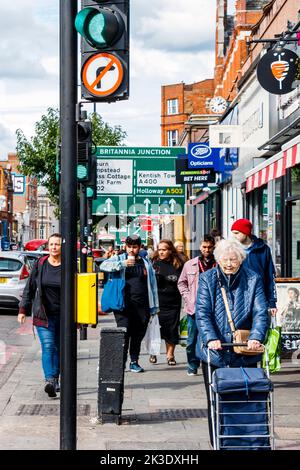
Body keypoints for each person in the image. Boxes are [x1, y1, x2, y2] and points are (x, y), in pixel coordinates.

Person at [195, 239, 269, 445]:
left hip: (245, 351)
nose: (229, 263)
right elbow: (202, 313)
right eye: (225, 259)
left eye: (233, 260)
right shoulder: (207, 279)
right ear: (218, 259)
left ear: (241, 260)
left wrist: (255, 337)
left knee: (246, 398)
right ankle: (218, 443)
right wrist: (211, 338)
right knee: (216, 400)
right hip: (215, 353)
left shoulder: (253, 279)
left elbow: (261, 312)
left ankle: (249, 441)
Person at [100, 234, 159, 373]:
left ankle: (134, 361)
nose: (131, 250)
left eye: (134, 247)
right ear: (125, 247)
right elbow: (104, 265)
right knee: (124, 333)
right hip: (123, 305)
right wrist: (122, 264)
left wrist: (155, 307)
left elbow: (152, 285)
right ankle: (120, 363)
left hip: (142, 305)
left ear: (139, 247)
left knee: (138, 334)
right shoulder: (120, 258)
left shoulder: (145, 263)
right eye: (129, 247)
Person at [17, 234, 62, 398]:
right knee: (49, 347)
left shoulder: (69, 266)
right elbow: (30, 287)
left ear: (62, 246)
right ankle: (50, 380)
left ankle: (56, 378)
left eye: (57, 244)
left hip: (64, 316)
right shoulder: (41, 264)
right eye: (51, 244)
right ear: (47, 246)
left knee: (59, 349)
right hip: (44, 314)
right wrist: (23, 310)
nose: (54, 247)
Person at [178, 234, 216, 376]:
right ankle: (192, 365)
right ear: (200, 247)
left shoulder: (218, 263)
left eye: (209, 247)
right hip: (194, 308)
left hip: (213, 307)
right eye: (204, 247)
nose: (207, 250)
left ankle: (211, 364)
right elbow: (182, 282)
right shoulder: (190, 264)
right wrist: (188, 298)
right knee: (191, 340)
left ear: (214, 247)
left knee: (212, 338)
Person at [231, 218, 277, 316]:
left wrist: (272, 302)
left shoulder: (263, 249)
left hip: (259, 297)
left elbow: (270, 276)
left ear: (246, 232)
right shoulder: (231, 250)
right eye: (233, 233)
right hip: (238, 298)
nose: (233, 236)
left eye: (236, 233)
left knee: (259, 328)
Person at [151, 240, 184, 365]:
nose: (161, 252)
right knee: (156, 329)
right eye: (159, 249)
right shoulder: (154, 263)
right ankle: (153, 352)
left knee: (171, 329)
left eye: (164, 249)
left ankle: (170, 355)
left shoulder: (178, 264)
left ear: (170, 250)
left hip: (173, 302)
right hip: (157, 303)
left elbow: (183, 281)